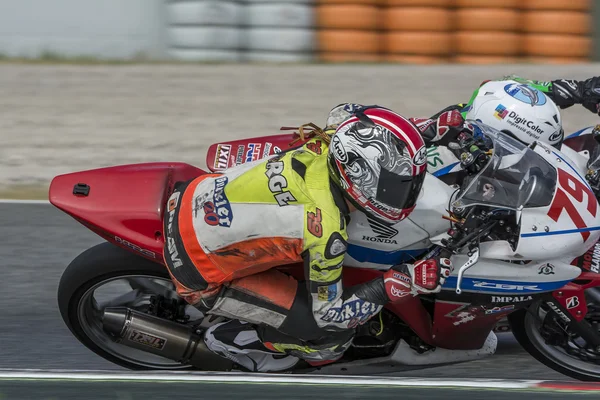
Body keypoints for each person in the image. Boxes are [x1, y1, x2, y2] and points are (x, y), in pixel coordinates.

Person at [163, 106, 453, 372]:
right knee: (331, 339)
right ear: (357, 174)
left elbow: (348, 114)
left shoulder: (330, 141)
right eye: (395, 186)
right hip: (199, 269)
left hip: (193, 194)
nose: (406, 193)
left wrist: (423, 130)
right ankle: (232, 339)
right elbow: (330, 314)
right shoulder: (325, 231)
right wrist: (400, 283)